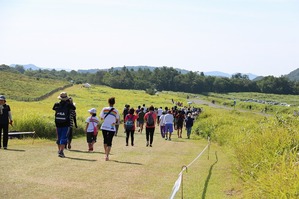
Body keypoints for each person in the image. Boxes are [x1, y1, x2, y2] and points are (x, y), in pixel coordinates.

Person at [53, 92, 76, 158]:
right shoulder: (69, 105)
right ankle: (61, 151)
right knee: (64, 137)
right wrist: (70, 102)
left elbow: (54, 109)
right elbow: (74, 108)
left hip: (58, 123)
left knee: (59, 137)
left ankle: (59, 150)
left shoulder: (56, 104)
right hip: (66, 123)